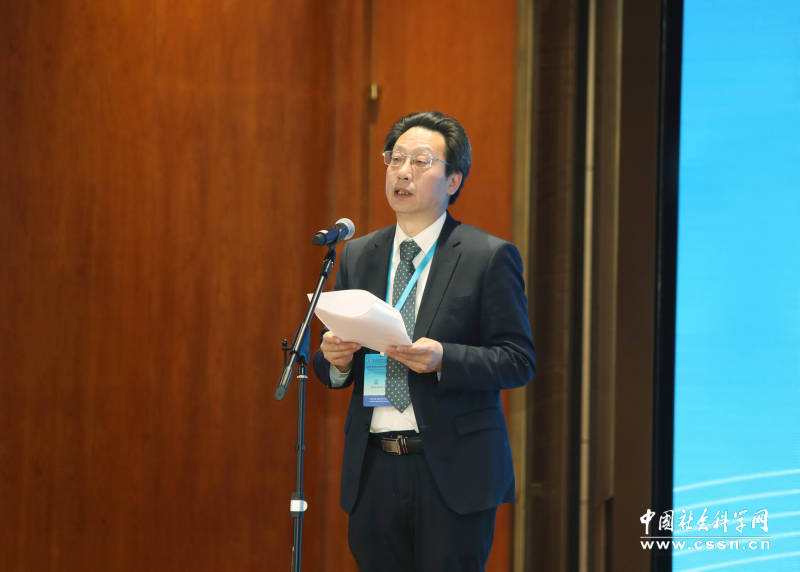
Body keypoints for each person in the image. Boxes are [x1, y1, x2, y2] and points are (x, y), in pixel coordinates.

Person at [313, 111, 536, 571]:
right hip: (374, 469)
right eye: (396, 159)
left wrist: (444, 358)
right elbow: (334, 360)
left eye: (420, 161)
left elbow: (517, 360)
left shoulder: (488, 256)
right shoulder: (359, 254)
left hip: (451, 473)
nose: (403, 172)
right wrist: (334, 360)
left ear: (454, 180)